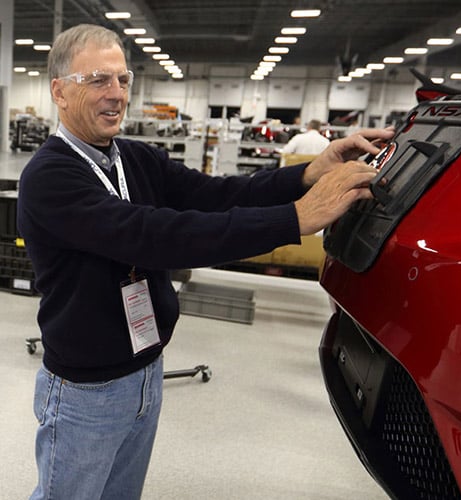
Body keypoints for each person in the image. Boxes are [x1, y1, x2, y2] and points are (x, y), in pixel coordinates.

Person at [16, 24, 394, 500]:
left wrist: (308, 174)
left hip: (145, 372)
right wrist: (297, 218)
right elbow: (153, 238)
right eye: (98, 80)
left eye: (123, 80)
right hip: (85, 390)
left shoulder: (134, 158)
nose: (116, 94)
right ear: (59, 90)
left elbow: (218, 195)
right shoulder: (50, 177)